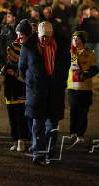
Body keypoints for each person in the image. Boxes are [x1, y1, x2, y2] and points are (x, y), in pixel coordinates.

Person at [19, 21, 71, 164]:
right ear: (38, 34)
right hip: (37, 92)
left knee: (52, 126)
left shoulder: (61, 46)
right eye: (42, 36)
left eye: (47, 36)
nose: (44, 39)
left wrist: (60, 80)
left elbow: (66, 65)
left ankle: (50, 152)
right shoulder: (28, 47)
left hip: (55, 91)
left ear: (52, 35)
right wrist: (32, 81)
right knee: (38, 125)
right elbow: (22, 68)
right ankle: (38, 153)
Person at [67, 31, 98, 145]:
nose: (75, 40)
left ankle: (80, 134)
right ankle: (73, 132)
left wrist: (87, 74)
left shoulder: (89, 53)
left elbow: (94, 69)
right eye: (73, 38)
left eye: (78, 38)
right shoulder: (69, 53)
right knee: (73, 111)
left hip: (85, 88)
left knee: (83, 112)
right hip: (72, 88)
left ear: (83, 41)